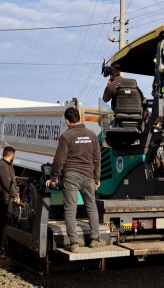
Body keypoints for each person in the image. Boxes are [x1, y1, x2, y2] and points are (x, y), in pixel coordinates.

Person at [46, 107, 104, 253]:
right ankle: (95, 240)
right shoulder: (91, 135)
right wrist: (97, 177)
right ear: (80, 118)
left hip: (71, 175)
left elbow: (59, 159)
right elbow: (97, 158)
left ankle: (74, 243)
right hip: (88, 175)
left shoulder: (66, 136)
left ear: (67, 121)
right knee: (91, 206)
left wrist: (53, 177)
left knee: (70, 210)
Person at [0, 146, 19, 258]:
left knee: (7, 223)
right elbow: (6, 183)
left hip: (8, 198)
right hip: (3, 199)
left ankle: (6, 248)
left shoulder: (8, 165)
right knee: (4, 224)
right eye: (14, 155)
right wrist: (16, 196)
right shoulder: (2, 165)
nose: (14, 157)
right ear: (12, 154)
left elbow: (12, 182)